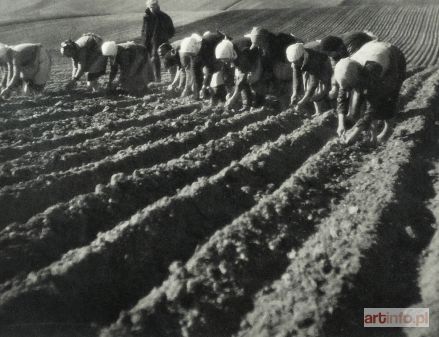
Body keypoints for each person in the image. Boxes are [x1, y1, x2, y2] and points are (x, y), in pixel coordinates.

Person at [333, 40, 406, 145]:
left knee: (388, 98)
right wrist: (341, 124)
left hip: (392, 57)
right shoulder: (345, 69)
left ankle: (387, 130)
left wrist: (355, 133)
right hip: (371, 50)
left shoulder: (372, 72)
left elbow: (373, 104)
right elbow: (342, 96)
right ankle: (372, 134)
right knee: (363, 97)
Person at [286, 42, 332, 115]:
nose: (296, 64)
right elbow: (296, 76)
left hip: (323, 62)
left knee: (320, 88)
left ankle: (323, 108)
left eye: (297, 62)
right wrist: (295, 93)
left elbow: (314, 83)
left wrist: (302, 102)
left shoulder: (313, 58)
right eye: (294, 62)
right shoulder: (296, 60)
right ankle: (318, 111)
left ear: (302, 57)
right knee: (306, 85)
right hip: (309, 63)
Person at [141, 0, 175, 82]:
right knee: (152, 60)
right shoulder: (146, 17)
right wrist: (145, 41)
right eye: (150, 6)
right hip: (149, 43)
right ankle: (155, 79)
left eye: (154, 5)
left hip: (161, 42)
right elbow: (144, 31)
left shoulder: (165, 17)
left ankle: (172, 79)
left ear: (157, 6)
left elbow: (172, 31)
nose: (152, 8)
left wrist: (164, 38)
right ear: (148, 6)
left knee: (167, 60)